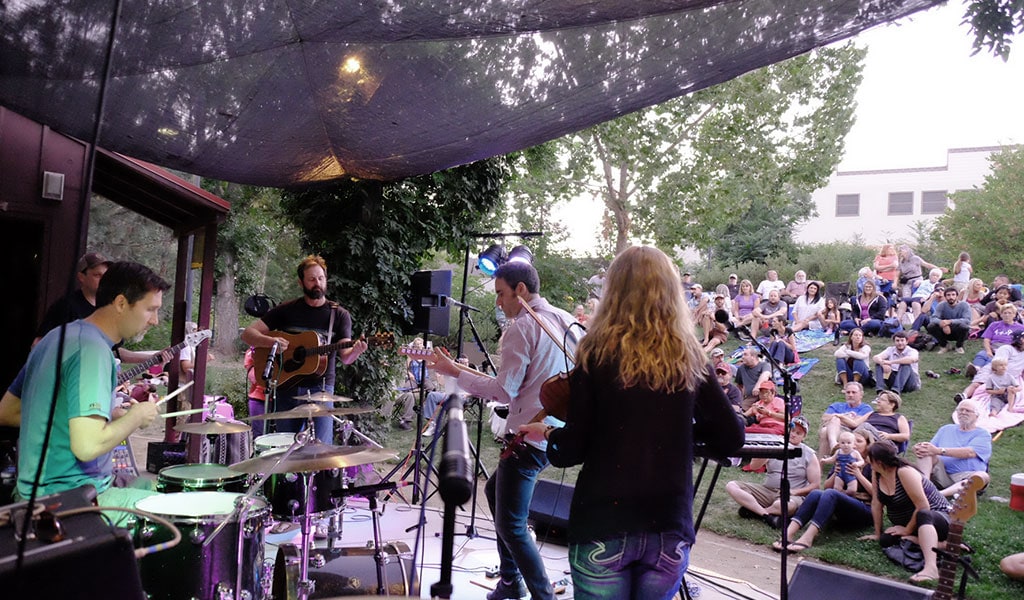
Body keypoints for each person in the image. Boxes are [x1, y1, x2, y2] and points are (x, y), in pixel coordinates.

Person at [520, 245, 744, 600]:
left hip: (603, 524)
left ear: (614, 293)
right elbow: (731, 439)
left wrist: (547, 432)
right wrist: (677, 433)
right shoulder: (690, 357)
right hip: (668, 527)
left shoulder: (596, 354)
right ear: (671, 293)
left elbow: (571, 450)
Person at [428, 261, 577, 600]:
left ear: (520, 290)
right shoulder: (567, 321)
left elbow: (502, 391)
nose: (498, 303)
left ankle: (540, 595)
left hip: (527, 438)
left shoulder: (523, 327)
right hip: (554, 433)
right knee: (495, 492)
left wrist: (453, 370)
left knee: (511, 524)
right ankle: (510, 580)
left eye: (500, 294)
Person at [14, 262, 166, 524]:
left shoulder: (56, 336)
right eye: (150, 309)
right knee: (180, 516)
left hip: (29, 494)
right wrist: (136, 417)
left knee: (150, 487)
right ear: (121, 303)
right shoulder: (93, 350)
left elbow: (9, 410)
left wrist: (100, 418)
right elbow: (87, 447)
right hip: (68, 502)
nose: (154, 320)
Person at [241, 255, 367, 443]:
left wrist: (357, 350)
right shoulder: (287, 310)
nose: (317, 283)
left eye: (321, 278)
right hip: (287, 385)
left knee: (321, 448)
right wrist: (271, 343)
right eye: (312, 279)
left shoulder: (339, 315)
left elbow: (346, 358)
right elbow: (248, 334)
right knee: (286, 446)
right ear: (301, 282)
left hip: (322, 388)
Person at [860, 440, 951, 583]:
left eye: (869, 459)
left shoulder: (904, 472)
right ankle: (943, 545)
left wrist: (907, 530)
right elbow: (876, 503)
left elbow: (923, 506)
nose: (866, 461)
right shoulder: (877, 472)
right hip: (913, 524)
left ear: (879, 461)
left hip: (936, 518)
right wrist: (877, 533)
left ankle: (931, 568)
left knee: (923, 515)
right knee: (886, 540)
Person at [773, 428, 875, 553]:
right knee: (816, 493)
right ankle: (788, 534)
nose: (849, 444)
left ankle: (808, 537)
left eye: (858, 441)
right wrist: (835, 473)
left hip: (864, 510)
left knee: (831, 493)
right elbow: (826, 487)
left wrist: (858, 474)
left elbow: (877, 495)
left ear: (867, 445)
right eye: (845, 441)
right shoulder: (842, 457)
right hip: (842, 505)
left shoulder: (873, 465)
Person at [725, 416, 820, 529]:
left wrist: (795, 492)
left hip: (791, 495)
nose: (793, 434)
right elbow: (754, 466)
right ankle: (767, 516)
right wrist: (764, 452)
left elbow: (815, 485)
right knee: (731, 486)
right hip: (768, 490)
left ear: (804, 436)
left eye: (798, 433)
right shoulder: (775, 444)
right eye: (792, 430)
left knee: (785, 505)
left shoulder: (809, 454)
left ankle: (756, 511)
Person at [913, 402, 992, 497]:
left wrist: (939, 451)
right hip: (942, 474)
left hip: (966, 475)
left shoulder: (983, 434)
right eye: (960, 410)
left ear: (977, 415)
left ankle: (937, 495)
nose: (963, 412)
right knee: (925, 452)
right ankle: (924, 486)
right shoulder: (946, 429)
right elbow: (931, 448)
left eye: (967, 410)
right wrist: (920, 448)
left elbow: (970, 453)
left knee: (982, 476)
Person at [32, 252, 110, 345]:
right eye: (97, 275)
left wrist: (132, 356)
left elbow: (110, 348)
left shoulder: (106, 307)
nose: (103, 280)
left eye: (105, 276)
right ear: (81, 277)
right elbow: (39, 342)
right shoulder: (66, 306)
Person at [817, 381, 873, 457]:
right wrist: (845, 417)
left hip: (851, 433)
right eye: (848, 392)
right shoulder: (837, 405)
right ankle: (832, 446)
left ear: (861, 394)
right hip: (834, 430)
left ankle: (821, 462)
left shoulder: (865, 408)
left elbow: (854, 424)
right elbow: (824, 418)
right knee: (827, 427)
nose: (850, 395)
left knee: (827, 429)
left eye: (854, 392)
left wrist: (839, 416)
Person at [969, 302, 1024, 374]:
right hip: (993, 346)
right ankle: (976, 368)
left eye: (1009, 313)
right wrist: (988, 350)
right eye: (1004, 313)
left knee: (994, 359)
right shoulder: (994, 325)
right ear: (1001, 315)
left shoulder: (1020, 327)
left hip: (1008, 349)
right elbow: (986, 339)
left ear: (1014, 315)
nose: (1007, 315)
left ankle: (982, 372)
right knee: (982, 355)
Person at [926, 287, 972, 354]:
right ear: (945, 297)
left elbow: (967, 320)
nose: (951, 297)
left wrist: (950, 322)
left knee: (965, 327)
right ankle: (944, 345)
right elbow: (933, 318)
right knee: (931, 326)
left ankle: (959, 346)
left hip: (958, 330)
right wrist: (943, 323)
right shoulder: (941, 305)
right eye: (948, 295)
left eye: (953, 295)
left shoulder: (964, 305)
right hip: (945, 330)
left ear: (957, 296)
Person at [243, 346, 268, 437]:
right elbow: (254, 378)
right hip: (258, 399)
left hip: (282, 398)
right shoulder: (252, 352)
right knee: (259, 436)